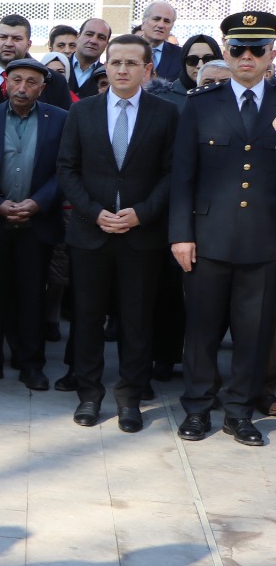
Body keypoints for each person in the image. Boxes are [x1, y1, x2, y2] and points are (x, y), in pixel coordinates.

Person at [57, 33, 177, 431]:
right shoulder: (83, 111)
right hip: (91, 233)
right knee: (87, 318)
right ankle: (89, 395)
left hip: (141, 235)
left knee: (137, 319)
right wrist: (95, 213)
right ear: (105, 67)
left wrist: (141, 214)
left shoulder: (165, 113)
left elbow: (171, 173)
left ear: (148, 70)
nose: (122, 69)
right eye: (116, 62)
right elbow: (67, 169)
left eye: (131, 63)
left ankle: (129, 398)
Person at [169, 11, 276, 445]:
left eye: (256, 49)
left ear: (272, 53)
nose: (246, 57)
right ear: (226, 52)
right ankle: (197, 408)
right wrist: (180, 234)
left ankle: (239, 412)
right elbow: (182, 177)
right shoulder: (201, 104)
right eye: (237, 49)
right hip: (207, 238)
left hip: (266, 241)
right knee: (202, 330)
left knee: (253, 334)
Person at [0, 58, 67, 390]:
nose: (22, 88)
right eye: (16, 80)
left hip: (36, 224)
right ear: (5, 83)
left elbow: (64, 170)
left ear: (42, 87)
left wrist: (38, 203)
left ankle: (30, 363)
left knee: (31, 297)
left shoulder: (60, 120)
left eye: (31, 82)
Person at [0, 14, 73, 110]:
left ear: (28, 44)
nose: (8, 43)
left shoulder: (54, 82)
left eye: (16, 39)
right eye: (3, 37)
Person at [140, 1, 183, 82]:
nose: (161, 25)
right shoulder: (126, 50)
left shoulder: (181, 56)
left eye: (166, 21)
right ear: (143, 23)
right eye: (156, 19)